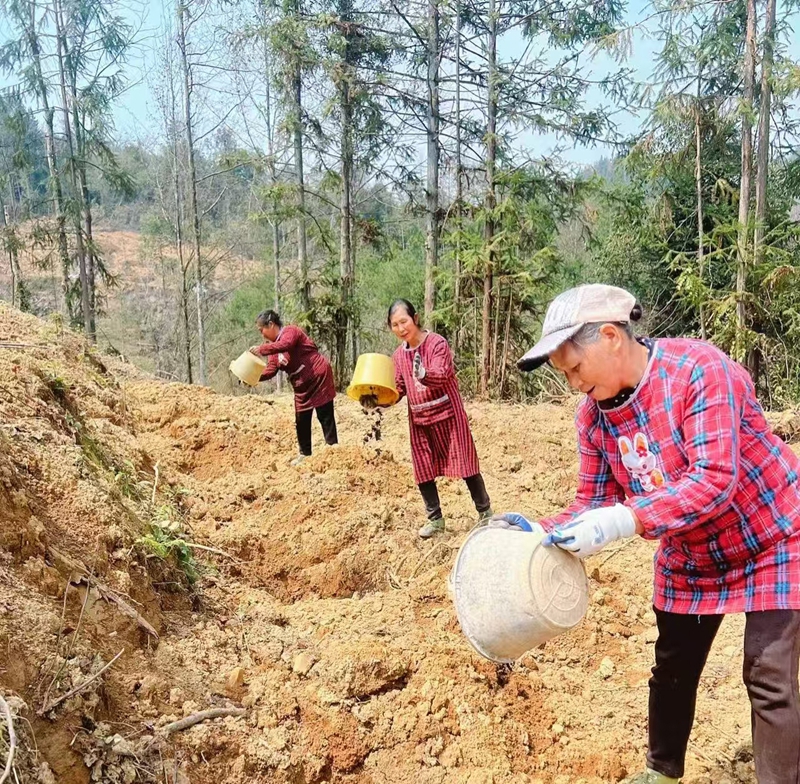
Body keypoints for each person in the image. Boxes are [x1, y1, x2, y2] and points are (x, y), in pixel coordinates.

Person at [496, 283, 800, 784]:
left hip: (771, 533)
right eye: (565, 374)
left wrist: (625, 518)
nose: (573, 383)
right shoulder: (593, 419)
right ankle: (660, 771)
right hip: (692, 549)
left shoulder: (698, 370)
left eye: (575, 368)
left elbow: (714, 479)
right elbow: (592, 502)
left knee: (767, 675)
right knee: (673, 665)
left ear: (611, 337)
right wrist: (539, 531)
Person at [388, 299, 493, 538]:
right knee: (423, 468)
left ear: (415, 319)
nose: (401, 328)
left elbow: (442, 374)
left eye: (404, 321)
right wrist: (380, 398)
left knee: (465, 462)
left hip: (448, 415)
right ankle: (435, 519)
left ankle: (485, 512)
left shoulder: (437, 343)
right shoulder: (398, 356)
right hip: (420, 420)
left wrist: (424, 373)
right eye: (395, 325)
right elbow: (399, 388)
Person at [250, 310, 337, 465]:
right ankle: (305, 454)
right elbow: (271, 370)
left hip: (318, 377)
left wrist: (261, 350)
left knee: (325, 414)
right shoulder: (273, 350)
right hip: (301, 386)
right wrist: (252, 377)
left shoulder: (290, 331)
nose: (262, 335)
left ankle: (333, 450)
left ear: (271, 324)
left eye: (261, 330)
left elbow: (286, 344)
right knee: (301, 419)